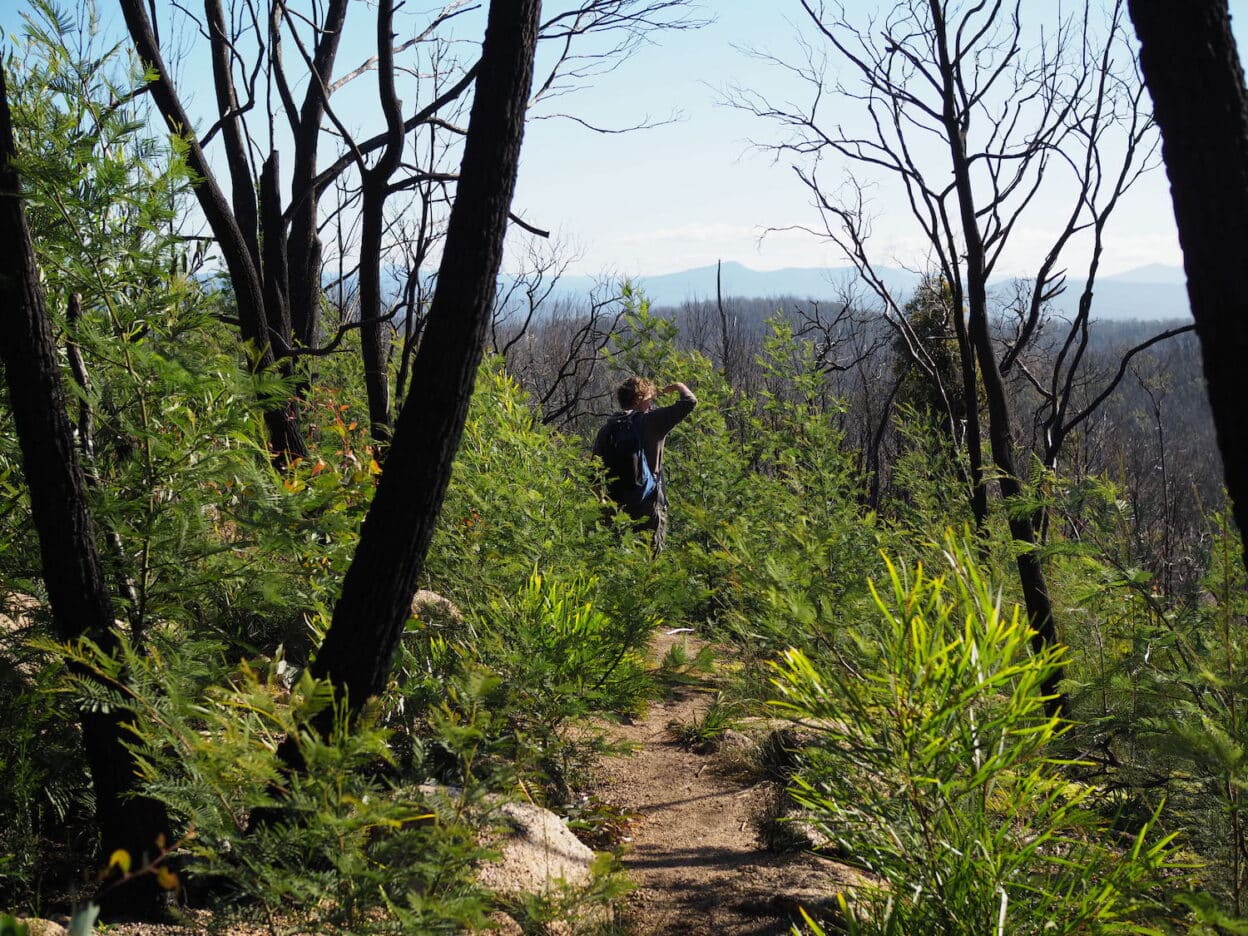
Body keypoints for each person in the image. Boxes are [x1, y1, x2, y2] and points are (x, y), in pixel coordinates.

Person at [593, 376, 697, 552]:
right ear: (638, 399)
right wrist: (679, 386)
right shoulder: (651, 421)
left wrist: (602, 502)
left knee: (619, 563)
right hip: (649, 506)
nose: (652, 403)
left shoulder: (607, 429)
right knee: (649, 564)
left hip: (616, 507)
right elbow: (690, 401)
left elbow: (594, 471)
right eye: (650, 398)